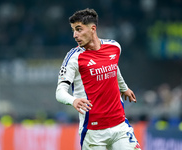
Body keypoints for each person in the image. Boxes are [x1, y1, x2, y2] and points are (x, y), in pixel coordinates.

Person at [56, 8, 141, 150]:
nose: (75, 35)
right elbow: (59, 92)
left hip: (120, 126)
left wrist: (123, 87)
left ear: (92, 29)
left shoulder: (114, 47)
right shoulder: (73, 58)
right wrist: (73, 100)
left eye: (78, 29)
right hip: (93, 132)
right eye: (73, 31)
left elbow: (113, 67)